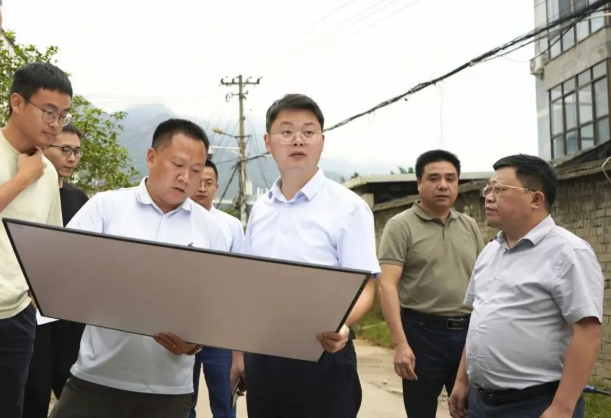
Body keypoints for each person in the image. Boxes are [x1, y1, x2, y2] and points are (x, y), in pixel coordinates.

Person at [49, 119, 228, 418]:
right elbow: (62, 270)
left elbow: (217, 305)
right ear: (151, 157)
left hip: (170, 391)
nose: (185, 177)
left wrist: (195, 342)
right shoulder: (106, 207)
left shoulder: (210, 229)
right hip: (96, 379)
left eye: (196, 170)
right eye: (177, 164)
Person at [231, 94, 380, 418]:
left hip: (322, 354)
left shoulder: (349, 207)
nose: (298, 139)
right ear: (268, 142)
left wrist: (342, 324)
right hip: (264, 358)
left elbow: (366, 286)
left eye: (308, 132)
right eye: (286, 131)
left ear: (321, 141)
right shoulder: (260, 210)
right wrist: (239, 354)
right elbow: (249, 286)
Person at [448, 154, 604, 418]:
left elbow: (587, 333)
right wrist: (462, 381)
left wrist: (562, 407)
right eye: (488, 189)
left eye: (499, 189)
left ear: (536, 199)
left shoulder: (568, 252)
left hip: (536, 404)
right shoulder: (490, 252)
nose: (488, 197)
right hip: (481, 402)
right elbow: (479, 321)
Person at [377, 150, 485, 417]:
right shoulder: (400, 226)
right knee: (420, 411)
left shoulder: (469, 225)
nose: (443, 185)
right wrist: (400, 344)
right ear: (419, 183)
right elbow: (386, 285)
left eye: (451, 178)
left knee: (470, 410)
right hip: (421, 335)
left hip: (467, 335)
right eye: (434, 178)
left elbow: (484, 282)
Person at [0, 62, 72, 418]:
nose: (56, 123)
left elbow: (49, 244)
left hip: (16, 317)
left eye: (63, 115)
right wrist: (21, 180)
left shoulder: (47, 173)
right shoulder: (32, 172)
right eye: (49, 112)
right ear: (17, 102)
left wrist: (30, 298)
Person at [23, 123, 89, 418]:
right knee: (33, 394)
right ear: (43, 147)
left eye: (76, 151)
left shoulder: (80, 199)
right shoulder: (26, 191)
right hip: (32, 312)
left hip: (70, 314)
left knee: (73, 392)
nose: (71, 158)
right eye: (64, 149)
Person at [189, 158, 244, 418]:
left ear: (217, 187)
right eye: (198, 182)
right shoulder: (177, 220)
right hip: (182, 328)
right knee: (182, 402)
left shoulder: (231, 225)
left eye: (208, 183)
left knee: (225, 402)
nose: (202, 188)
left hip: (220, 332)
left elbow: (240, 280)